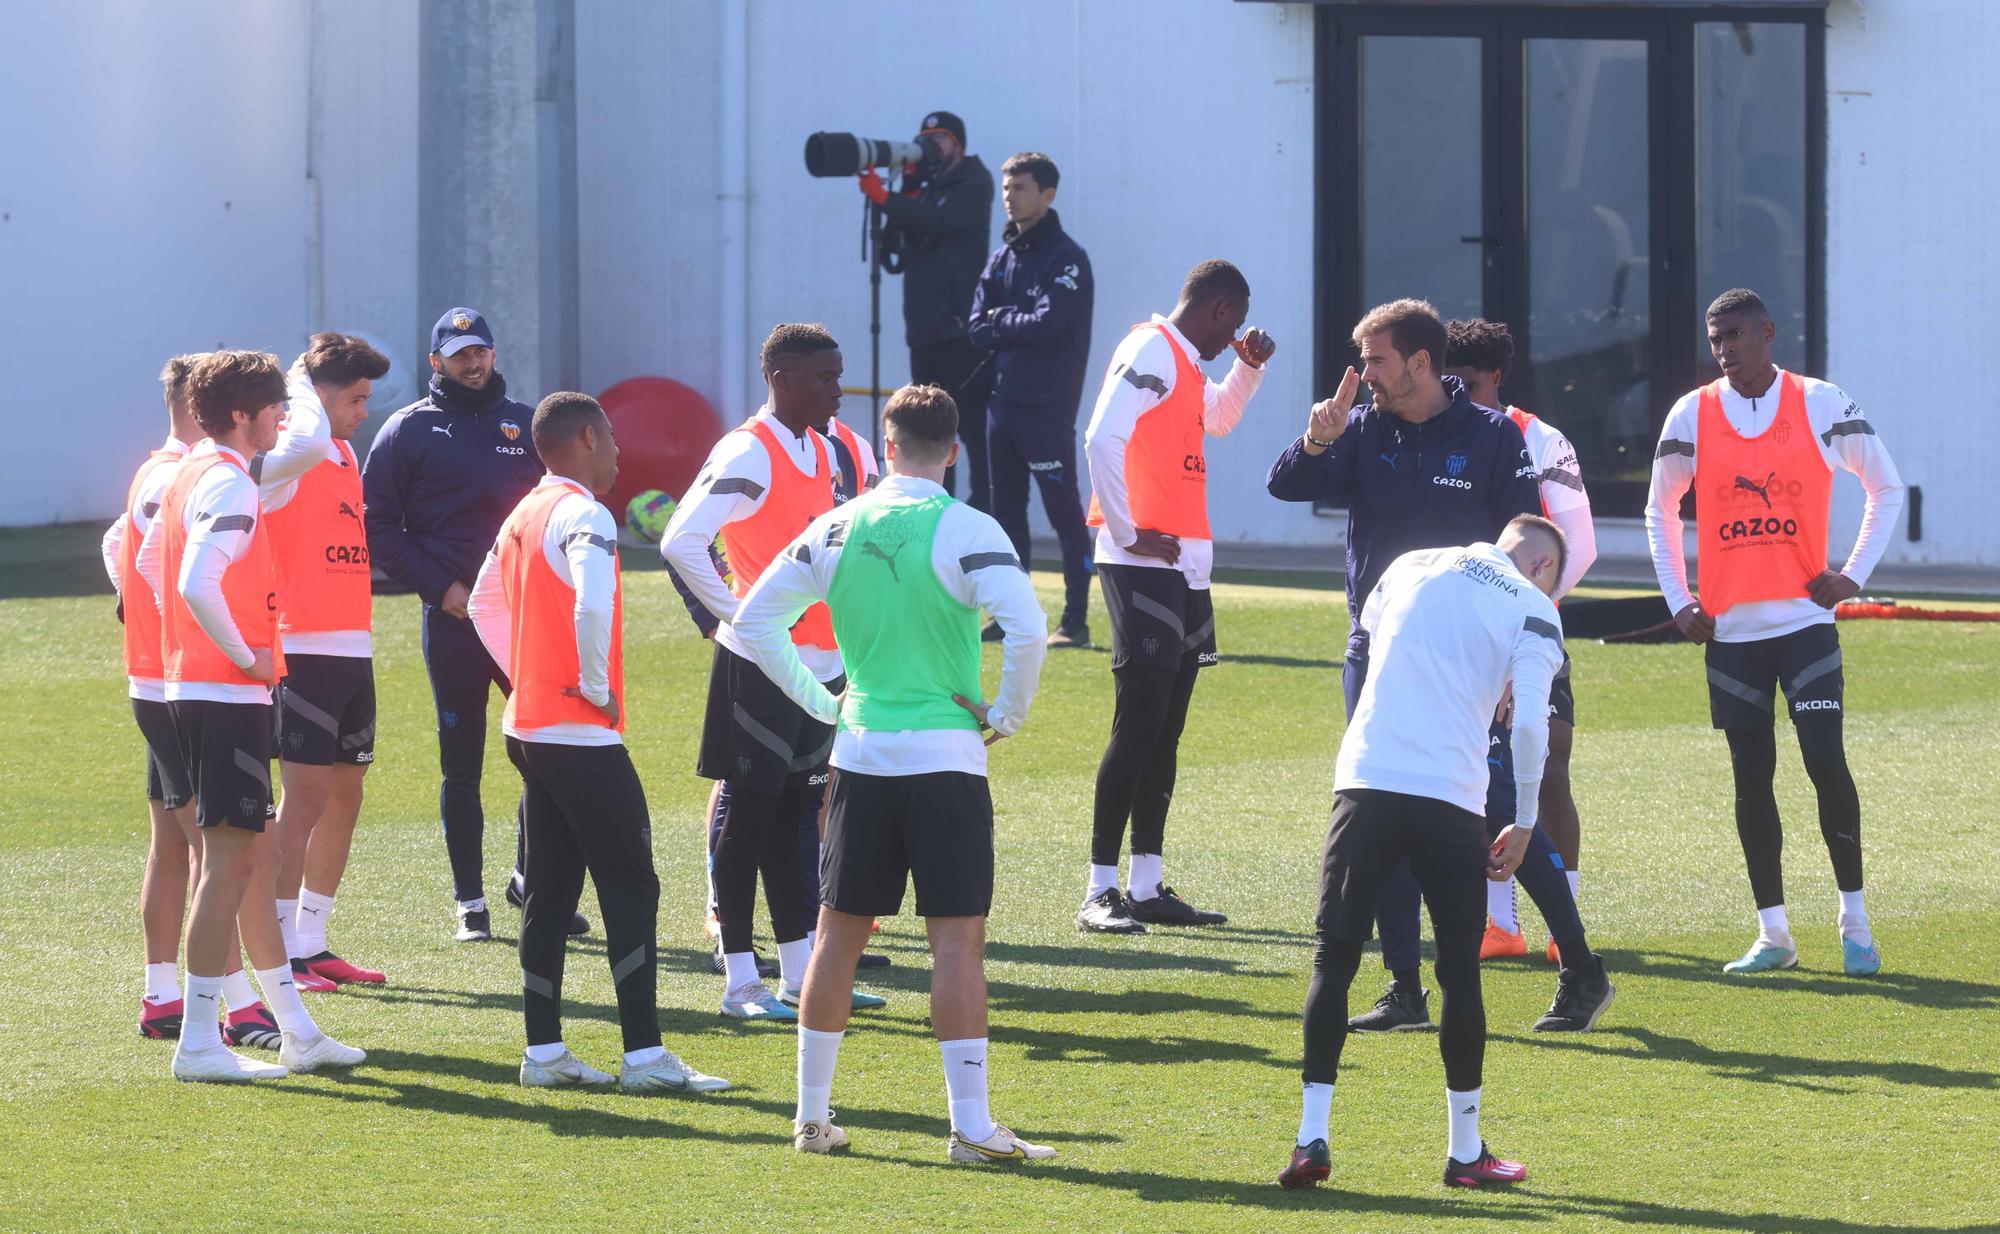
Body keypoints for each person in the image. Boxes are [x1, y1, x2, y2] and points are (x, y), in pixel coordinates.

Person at [733, 383, 1054, 1162]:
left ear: (884, 447)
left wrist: (825, 702)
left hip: (861, 755)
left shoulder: (835, 527)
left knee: (835, 939)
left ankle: (811, 1119)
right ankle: (970, 1128)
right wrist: (1002, 716)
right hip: (945, 759)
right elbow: (1030, 629)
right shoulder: (969, 527)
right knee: (957, 944)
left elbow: (750, 623)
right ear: (953, 451)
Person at [1267, 299, 1604, 1034]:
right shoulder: (1358, 431)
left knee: (1492, 807)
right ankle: (1405, 990)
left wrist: (1519, 668)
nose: (1364, 377)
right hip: (1374, 650)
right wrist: (1317, 441)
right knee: (1377, 805)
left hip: (1466, 667)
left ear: (1420, 363)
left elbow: (1528, 560)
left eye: (1377, 361)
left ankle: (1581, 967)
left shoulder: (1490, 438)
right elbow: (1285, 485)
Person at [1278, 518, 1570, 1191]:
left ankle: (1309, 1141)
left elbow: (1376, 641)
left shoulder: (1408, 561)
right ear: (1542, 565)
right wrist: (1524, 819)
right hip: (1449, 793)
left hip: (1365, 779)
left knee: (1335, 957)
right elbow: (1529, 725)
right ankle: (1465, 1152)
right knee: (1460, 973)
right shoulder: (1532, 608)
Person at [467, 391, 731, 1093]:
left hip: (528, 725)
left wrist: (528, 676)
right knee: (631, 884)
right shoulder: (585, 513)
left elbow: (481, 604)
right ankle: (644, 1057)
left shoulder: (525, 512)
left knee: (552, 890)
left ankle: (545, 1052)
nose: (619, 451)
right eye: (612, 437)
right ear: (587, 437)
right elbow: (590, 600)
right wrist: (588, 682)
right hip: (576, 731)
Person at [1645, 288, 1905, 976]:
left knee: (1826, 766)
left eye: (1735, 334)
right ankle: (1775, 936)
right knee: (1750, 781)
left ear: (1766, 332)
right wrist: (1680, 599)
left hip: (1806, 627)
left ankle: (1855, 924)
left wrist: (1851, 574)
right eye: (1715, 339)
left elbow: (1888, 487)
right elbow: (1659, 509)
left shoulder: (1821, 402)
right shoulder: (1692, 413)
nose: (1725, 349)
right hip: (1730, 636)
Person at [141, 350, 364, 1081]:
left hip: (196, 689)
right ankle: (201, 1044)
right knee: (230, 864)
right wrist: (247, 655)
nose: (284, 419)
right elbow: (194, 579)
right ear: (244, 414)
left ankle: (295, 1028)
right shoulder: (229, 482)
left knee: (254, 855)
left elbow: (145, 565)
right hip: (222, 692)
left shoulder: (190, 474)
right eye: (274, 407)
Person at [661, 323, 884, 1019]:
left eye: (838, 376)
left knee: (795, 817)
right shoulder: (748, 451)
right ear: (782, 378)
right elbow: (680, 539)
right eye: (824, 379)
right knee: (748, 817)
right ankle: (738, 983)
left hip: (818, 666)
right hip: (760, 665)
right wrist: (739, 618)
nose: (837, 393)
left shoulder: (819, 448)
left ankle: (797, 976)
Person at [363, 308, 584, 943]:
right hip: (455, 621)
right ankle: (470, 901)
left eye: (479, 350)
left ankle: (532, 882)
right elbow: (378, 527)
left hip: (525, 623)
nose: (472, 362)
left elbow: (561, 507)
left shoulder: (526, 422)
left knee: (544, 755)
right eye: (459, 353)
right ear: (436, 362)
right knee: (461, 764)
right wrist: (444, 589)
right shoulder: (407, 431)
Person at [1074, 259, 1275, 933]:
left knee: (1166, 729)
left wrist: (1247, 370)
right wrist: (1127, 532)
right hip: (1145, 562)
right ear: (1218, 307)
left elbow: (1215, 420)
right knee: (1138, 723)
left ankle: (1147, 885)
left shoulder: (1186, 363)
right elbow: (1101, 436)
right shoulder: (1152, 347)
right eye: (1235, 324)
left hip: (1184, 563)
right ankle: (1100, 892)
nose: (1235, 336)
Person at [1442, 319, 1599, 962]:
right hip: (1459, 638)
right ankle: (1499, 926)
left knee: (1550, 769)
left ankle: (1568, 926)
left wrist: (1530, 621)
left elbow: (1578, 546)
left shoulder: (1541, 439)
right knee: (1476, 778)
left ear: (1498, 378)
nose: (1461, 395)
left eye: (1472, 384)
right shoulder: (1433, 435)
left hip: (1530, 632)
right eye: (1449, 382)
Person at [265, 334, 391, 988]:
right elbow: (306, 433)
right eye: (354, 398)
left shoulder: (341, 453)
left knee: (346, 793)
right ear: (318, 397)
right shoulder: (293, 451)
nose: (362, 412)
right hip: (303, 651)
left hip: (354, 649)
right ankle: (279, 947)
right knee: (305, 796)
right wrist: (302, 382)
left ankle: (312, 941)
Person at [103, 355, 203, 1039]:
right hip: (181, 684)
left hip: (154, 676)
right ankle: (214, 1005)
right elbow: (144, 556)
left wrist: (131, 606)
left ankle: (163, 996)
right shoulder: (179, 474)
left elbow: (118, 543)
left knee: (171, 842)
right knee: (218, 851)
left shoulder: (154, 467)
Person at [969, 151, 1094, 647]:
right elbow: (974, 328)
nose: (1010, 197)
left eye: (1019, 187)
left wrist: (1002, 321)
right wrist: (1004, 322)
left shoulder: (1067, 258)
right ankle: (1012, 616)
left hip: (1046, 407)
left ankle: (1076, 622)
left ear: (1048, 194)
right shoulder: (1001, 258)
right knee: (1007, 515)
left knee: (1064, 513)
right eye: (1006, 188)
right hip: (1001, 405)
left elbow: (1048, 325)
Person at [861, 109, 994, 508]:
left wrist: (886, 197)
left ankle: (986, 513)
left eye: (939, 138)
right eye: (925, 138)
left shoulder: (974, 182)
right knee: (933, 428)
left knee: (971, 428)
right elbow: (895, 253)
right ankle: (938, 507)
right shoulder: (927, 185)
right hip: (924, 328)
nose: (929, 146)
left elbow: (941, 222)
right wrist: (904, 195)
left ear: (959, 143)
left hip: (961, 330)